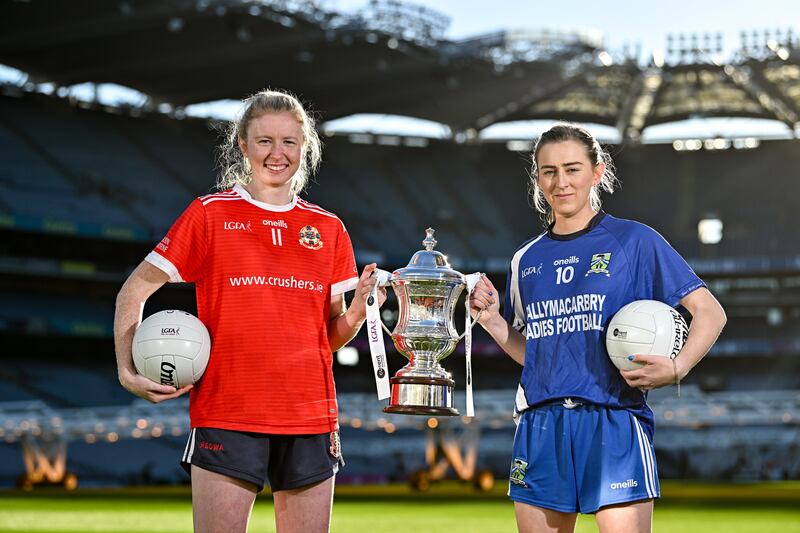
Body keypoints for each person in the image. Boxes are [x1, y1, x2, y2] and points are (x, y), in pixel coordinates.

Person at [114, 89, 385, 533]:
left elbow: (327, 337)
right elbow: (134, 290)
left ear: (305, 147)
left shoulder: (328, 228)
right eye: (264, 141)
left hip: (310, 416)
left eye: (289, 143)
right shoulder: (209, 214)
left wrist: (356, 314)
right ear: (242, 145)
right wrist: (127, 367)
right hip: (227, 411)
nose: (277, 154)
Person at [469, 123, 726, 533]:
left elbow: (710, 312)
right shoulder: (525, 260)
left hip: (614, 419)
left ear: (598, 172)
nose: (561, 182)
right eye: (549, 171)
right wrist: (495, 322)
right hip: (540, 423)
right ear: (538, 178)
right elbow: (534, 354)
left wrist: (677, 367)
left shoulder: (635, 241)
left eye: (572, 169)